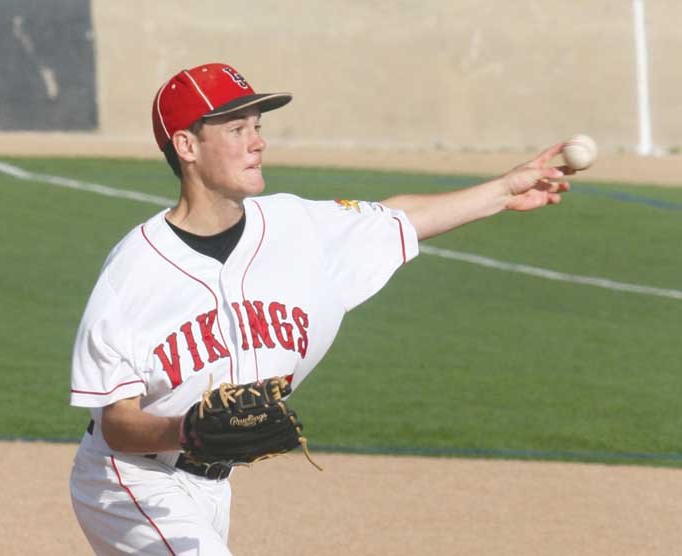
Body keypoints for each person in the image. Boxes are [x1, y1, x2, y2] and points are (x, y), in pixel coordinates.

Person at [69, 62, 570, 555]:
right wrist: (187, 430)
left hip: (211, 490)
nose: (257, 142)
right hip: (129, 480)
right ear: (186, 146)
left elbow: (399, 218)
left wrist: (504, 189)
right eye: (237, 129)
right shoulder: (133, 272)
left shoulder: (298, 227)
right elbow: (117, 422)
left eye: (258, 127)